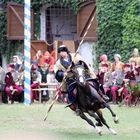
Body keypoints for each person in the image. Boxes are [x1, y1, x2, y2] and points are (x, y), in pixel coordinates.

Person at [55, 45, 107, 111]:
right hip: (71, 78)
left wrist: (76, 66)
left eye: (63, 51)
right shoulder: (58, 63)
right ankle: (73, 104)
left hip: (81, 74)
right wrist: (63, 73)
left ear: (66, 51)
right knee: (71, 89)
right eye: (60, 52)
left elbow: (83, 63)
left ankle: (103, 95)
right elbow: (57, 73)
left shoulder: (75, 56)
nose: (61, 53)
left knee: (95, 82)